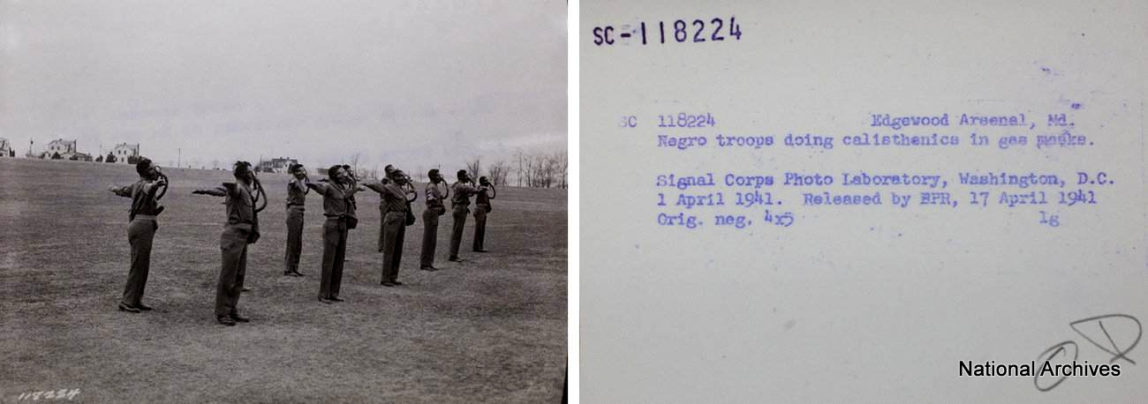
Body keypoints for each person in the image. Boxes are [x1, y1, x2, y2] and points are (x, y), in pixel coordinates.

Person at [192, 161, 264, 326]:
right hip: (233, 236)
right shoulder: (237, 188)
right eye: (250, 172)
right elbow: (229, 189)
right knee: (228, 276)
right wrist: (223, 186)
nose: (252, 175)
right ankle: (222, 312)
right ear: (243, 174)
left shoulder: (247, 190)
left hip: (243, 236)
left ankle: (232, 308)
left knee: (239, 276)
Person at [108, 157, 167, 313]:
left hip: (141, 226)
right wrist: (155, 185)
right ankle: (127, 301)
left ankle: (136, 299)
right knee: (138, 265)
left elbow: (123, 191)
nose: (156, 170)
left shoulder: (136, 185)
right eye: (153, 168)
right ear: (146, 171)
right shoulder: (145, 185)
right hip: (142, 227)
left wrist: (114, 189)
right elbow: (149, 189)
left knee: (142, 265)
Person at [307, 165, 360, 303]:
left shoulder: (341, 187)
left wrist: (354, 186)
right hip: (332, 224)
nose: (344, 175)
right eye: (341, 173)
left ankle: (334, 292)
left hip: (342, 225)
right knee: (329, 261)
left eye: (345, 172)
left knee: (339, 260)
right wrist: (310, 184)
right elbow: (320, 188)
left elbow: (344, 196)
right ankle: (324, 294)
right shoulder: (329, 187)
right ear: (335, 175)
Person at [364, 168, 414, 286]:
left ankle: (393, 276)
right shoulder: (390, 187)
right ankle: (385, 278)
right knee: (389, 249)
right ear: (396, 177)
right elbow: (380, 188)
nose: (405, 178)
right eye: (402, 176)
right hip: (393, 218)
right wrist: (368, 183)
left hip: (401, 218)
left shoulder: (400, 189)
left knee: (398, 249)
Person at [448, 169, 486, 262]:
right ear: (461, 177)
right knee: (457, 233)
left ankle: (453, 254)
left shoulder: (457, 185)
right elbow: (476, 190)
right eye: (465, 176)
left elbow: (470, 193)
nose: (467, 177)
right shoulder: (461, 186)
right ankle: (453, 255)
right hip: (460, 209)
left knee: (456, 232)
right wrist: (473, 182)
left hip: (460, 208)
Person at [420, 169, 448, 270]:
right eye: (438, 175)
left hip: (434, 213)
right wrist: (439, 204)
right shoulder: (431, 187)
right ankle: (425, 263)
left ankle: (429, 263)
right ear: (433, 177)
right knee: (429, 239)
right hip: (431, 213)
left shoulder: (434, 186)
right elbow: (431, 199)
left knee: (432, 240)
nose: (440, 177)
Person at [283, 163, 308, 277]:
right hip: (294, 211)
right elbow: (292, 183)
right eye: (300, 171)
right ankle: (288, 268)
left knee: (298, 241)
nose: (303, 173)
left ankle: (294, 267)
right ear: (295, 172)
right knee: (293, 240)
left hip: (299, 211)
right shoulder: (293, 181)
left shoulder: (300, 182)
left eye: (304, 170)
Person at [472, 176, 494, 253]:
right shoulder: (481, 188)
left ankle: (479, 246)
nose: (487, 182)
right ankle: (477, 247)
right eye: (486, 181)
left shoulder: (485, 190)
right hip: (480, 209)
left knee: (482, 229)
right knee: (479, 229)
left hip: (483, 210)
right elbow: (478, 189)